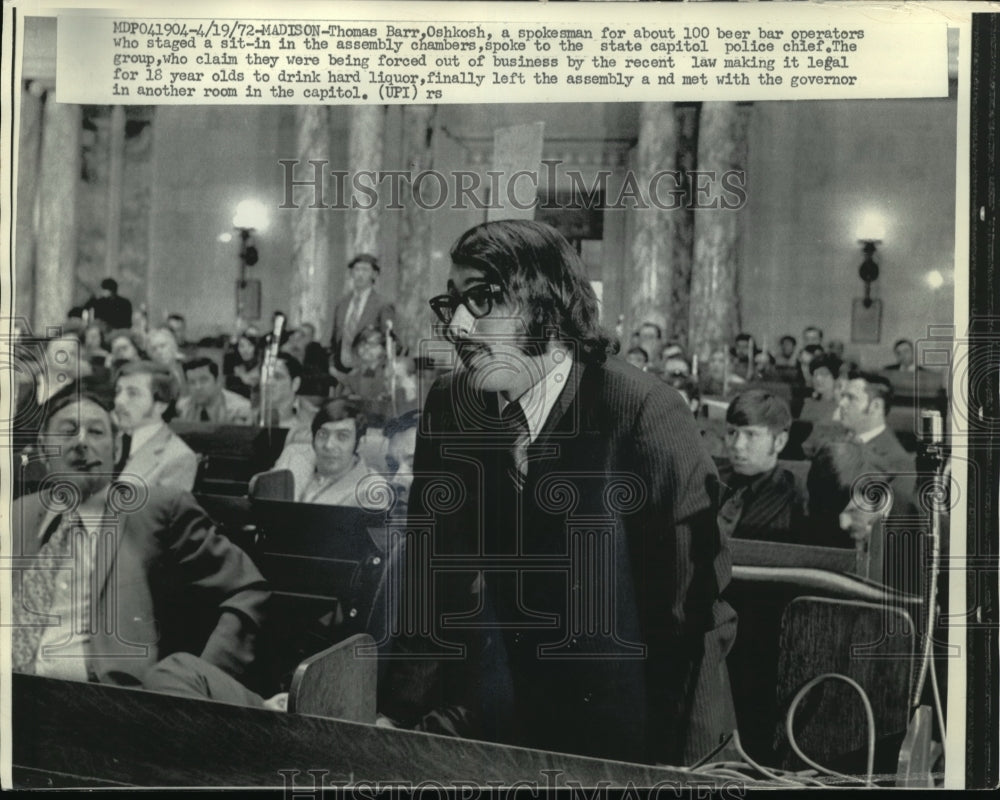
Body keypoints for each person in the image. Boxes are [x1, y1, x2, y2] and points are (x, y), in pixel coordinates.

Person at [380, 219, 735, 766]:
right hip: (488, 725)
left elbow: (690, 616)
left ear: (547, 304)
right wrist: (393, 721)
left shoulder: (642, 410)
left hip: (618, 735)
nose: (458, 324)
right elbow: (434, 574)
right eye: (451, 303)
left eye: (482, 299)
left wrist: (684, 766)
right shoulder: (451, 405)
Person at [10, 381, 269, 689]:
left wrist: (202, 679)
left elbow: (247, 590)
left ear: (117, 447)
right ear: (42, 447)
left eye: (96, 432)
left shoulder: (157, 509)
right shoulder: (19, 513)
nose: (81, 443)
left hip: (102, 698)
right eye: (67, 431)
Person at [717, 390, 804, 542]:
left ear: (779, 442)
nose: (738, 445)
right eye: (732, 432)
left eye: (751, 435)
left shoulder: (796, 497)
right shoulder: (708, 480)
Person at [273, 397, 386, 507]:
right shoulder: (294, 461)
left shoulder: (372, 490)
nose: (328, 445)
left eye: (342, 436)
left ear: (360, 443)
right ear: (313, 440)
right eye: (323, 434)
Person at [114, 360, 198, 491]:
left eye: (133, 393)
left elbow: (161, 511)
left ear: (160, 406)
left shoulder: (178, 458)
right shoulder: (108, 440)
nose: (119, 400)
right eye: (118, 391)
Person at [334, 325, 417, 426]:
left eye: (373, 344)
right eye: (362, 343)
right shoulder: (356, 373)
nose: (366, 348)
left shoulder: (392, 368)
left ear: (385, 349)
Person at [329, 254, 396, 376]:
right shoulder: (342, 304)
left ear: (374, 274)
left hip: (367, 374)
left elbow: (389, 341)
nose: (360, 274)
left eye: (365, 270)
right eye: (356, 269)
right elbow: (334, 339)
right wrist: (332, 366)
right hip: (339, 372)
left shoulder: (382, 305)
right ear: (351, 273)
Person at [254, 352, 316, 445]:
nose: (268, 382)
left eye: (277, 376)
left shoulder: (310, 425)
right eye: (265, 376)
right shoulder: (247, 417)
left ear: (295, 383)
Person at [176, 357, 252, 424]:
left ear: (218, 381)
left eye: (203, 380)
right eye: (192, 382)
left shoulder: (239, 409)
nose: (198, 387)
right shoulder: (182, 408)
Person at [146, 326, 187, 398]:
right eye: (154, 349)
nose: (159, 352)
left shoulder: (186, 365)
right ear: (150, 355)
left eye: (162, 346)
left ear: (173, 346)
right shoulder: (151, 378)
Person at [224, 331, 261, 398]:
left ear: (256, 347)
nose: (245, 350)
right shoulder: (237, 368)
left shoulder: (262, 368)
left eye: (250, 345)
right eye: (242, 346)